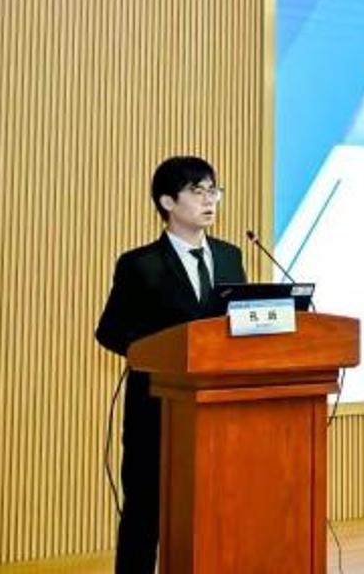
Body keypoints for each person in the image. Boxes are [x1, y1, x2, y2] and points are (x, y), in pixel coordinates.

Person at [95, 156, 247, 573]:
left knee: (215, 506)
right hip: (155, 407)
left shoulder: (230, 256)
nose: (209, 200)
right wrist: (161, 354)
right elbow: (109, 331)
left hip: (217, 407)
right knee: (145, 511)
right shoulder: (140, 263)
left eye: (213, 191)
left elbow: (237, 326)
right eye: (197, 192)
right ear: (167, 201)